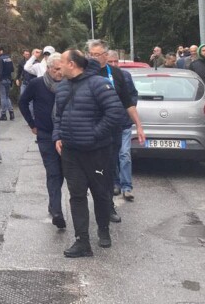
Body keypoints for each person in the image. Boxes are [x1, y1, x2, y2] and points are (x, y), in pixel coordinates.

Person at [53, 49, 127, 258]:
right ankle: (82, 241)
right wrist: (58, 136)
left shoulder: (98, 84)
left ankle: (103, 230)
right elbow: (58, 115)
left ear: (73, 65)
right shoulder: (63, 87)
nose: (58, 67)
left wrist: (94, 134)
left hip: (97, 152)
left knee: (101, 194)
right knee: (76, 195)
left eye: (62, 62)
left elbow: (115, 113)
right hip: (71, 152)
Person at [86, 41, 143, 221]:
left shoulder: (117, 74)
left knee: (110, 168)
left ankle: (108, 206)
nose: (94, 58)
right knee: (94, 171)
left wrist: (139, 126)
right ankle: (95, 204)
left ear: (105, 55)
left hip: (113, 129)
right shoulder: (84, 74)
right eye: (91, 54)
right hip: (92, 129)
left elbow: (128, 102)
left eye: (97, 54)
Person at [19, 54, 66, 229]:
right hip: (45, 134)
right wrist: (32, 124)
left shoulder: (68, 85)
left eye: (62, 69)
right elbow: (23, 103)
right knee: (53, 171)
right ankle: (57, 212)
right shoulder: (37, 84)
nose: (60, 73)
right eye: (56, 69)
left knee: (61, 172)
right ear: (48, 68)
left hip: (64, 135)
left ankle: (53, 204)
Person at [0, 47, 15, 121]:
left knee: (3, 97)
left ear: (1, 51)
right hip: (8, 79)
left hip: (2, 80)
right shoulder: (8, 58)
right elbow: (12, 69)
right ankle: (11, 113)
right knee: (7, 97)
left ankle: (3, 114)